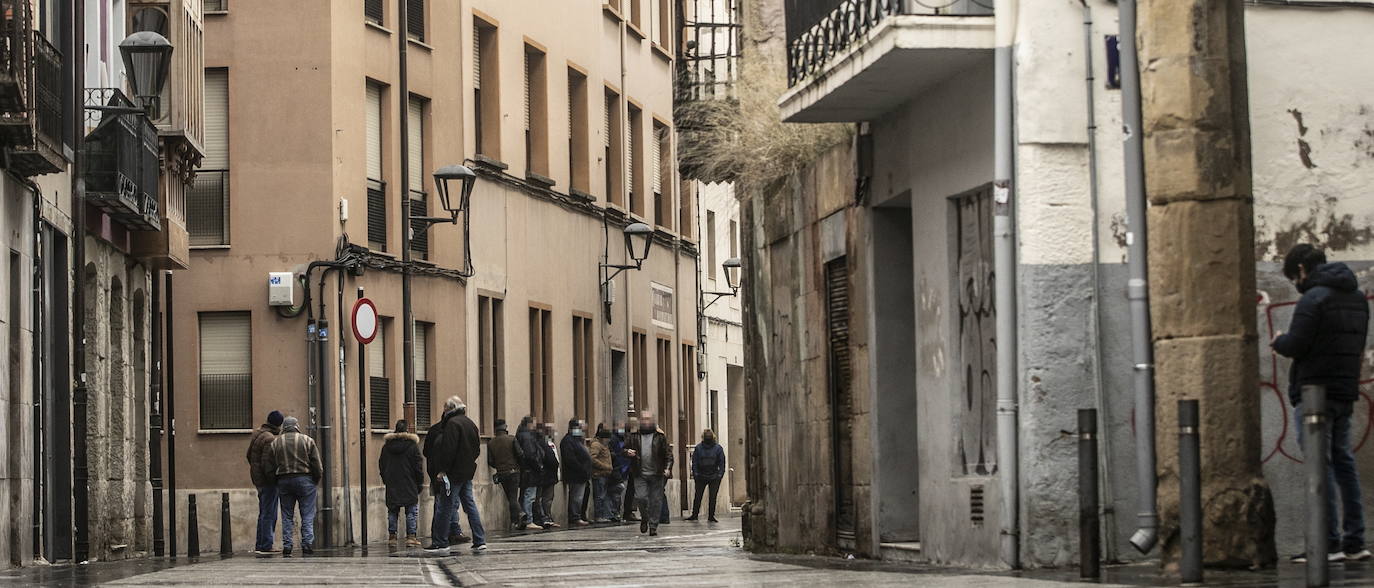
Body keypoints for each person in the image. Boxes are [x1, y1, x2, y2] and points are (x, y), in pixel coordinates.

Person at [1273, 244, 1371, 563]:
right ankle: (1355, 542)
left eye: (1294, 277)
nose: (1295, 284)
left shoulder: (1313, 299)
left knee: (1320, 464)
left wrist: (1279, 342)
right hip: (1345, 390)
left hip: (1315, 394)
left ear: (1302, 270)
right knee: (1344, 462)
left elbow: (1298, 344)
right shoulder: (1357, 298)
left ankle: (1328, 543)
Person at [423, 396, 487, 552]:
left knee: (445, 506)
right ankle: (479, 539)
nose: (443, 412)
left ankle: (440, 541)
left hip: (452, 474)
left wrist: (443, 469)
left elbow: (448, 450)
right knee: (470, 505)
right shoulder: (470, 423)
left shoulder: (452, 425)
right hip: (466, 472)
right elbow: (476, 449)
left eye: (445, 409)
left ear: (449, 409)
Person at [264, 416, 322, 557]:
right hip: (305, 480)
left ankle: (287, 545)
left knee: (287, 515)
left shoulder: (276, 442)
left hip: (284, 480)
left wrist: (275, 481)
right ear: (296, 426)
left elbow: (269, 467)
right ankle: (307, 544)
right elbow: (317, 465)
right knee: (307, 514)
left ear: (284, 427)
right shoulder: (308, 440)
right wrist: (315, 479)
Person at [625, 410, 673, 536]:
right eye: (643, 419)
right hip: (639, 473)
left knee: (656, 501)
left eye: (648, 419)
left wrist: (667, 468)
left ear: (652, 421)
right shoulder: (634, 436)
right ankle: (645, 518)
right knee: (641, 498)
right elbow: (624, 449)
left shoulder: (660, 437)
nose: (646, 421)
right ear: (640, 421)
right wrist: (627, 452)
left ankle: (653, 526)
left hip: (657, 473)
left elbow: (668, 454)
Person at [379, 419, 424, 547]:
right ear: (407, 430)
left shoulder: (387, 447)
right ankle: (411, 537)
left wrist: (385, 478)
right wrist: (419, 483)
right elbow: (418, 466)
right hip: (409, 482)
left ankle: (392, 537)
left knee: (393, 510)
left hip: (392, 482)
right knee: (411, 510)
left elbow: (381, 464)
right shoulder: (412, 446)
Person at [247, 410, 283, 555]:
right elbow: (268, 464)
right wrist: (273, 480)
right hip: (267, 482)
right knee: (269, 512)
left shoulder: (257, 434)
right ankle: (267, 544)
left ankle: (260, 543)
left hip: (258, 479)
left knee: (263, 511)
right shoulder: (269, 439)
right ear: (278, 425)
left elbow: (249, 455)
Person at [487, 419, 527, 530]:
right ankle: (520, 513)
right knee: (513, 497)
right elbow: (520, 454)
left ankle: (514, 522)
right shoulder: (512, 439)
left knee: (510, 498)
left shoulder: (491, 443)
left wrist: (499, 466)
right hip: (514, 472)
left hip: (502, 473)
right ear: (505, 428)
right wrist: (519, 466)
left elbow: (490, 461)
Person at [687, 429, 727, 522]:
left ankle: (701, 515)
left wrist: (720, 474)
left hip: (711, 476)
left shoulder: (713, 448)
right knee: (702, 496)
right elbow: (695, 462)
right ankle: (702, 515)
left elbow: (721, 463)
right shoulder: (716, 448)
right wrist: (696, 473)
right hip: (704, 475)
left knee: (704, 496)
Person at [561, 419, 594, 527]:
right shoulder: (568, 441)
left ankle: (580, 515)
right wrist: (581, 468)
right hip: (575, 475)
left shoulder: (577, 440)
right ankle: (574, 517)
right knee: (576, 497)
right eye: (578, 428)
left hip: (582, 475)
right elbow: (570, 459)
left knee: (580, 497)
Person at [515, 416, 546, 530]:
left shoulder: (522, 434)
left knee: (525, 495)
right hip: (530, 471)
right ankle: (528, 520)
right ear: (528, 424)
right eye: (533, 424)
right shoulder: (527, 437)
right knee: (529, 496)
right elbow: (530, 454)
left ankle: (523, 519)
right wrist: (539, 466)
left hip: (526, 470)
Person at [536, 422, 562, 529]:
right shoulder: (543, 443)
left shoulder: (548, 443)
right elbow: (552, 460)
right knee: (545, 498)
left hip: (549, 475)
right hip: (546, 475)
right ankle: (545, 518)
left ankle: (546, 517)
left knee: (545, 498)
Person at [589, 425, 615, 523]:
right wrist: (605, 466)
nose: (608, 441)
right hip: (599, 474)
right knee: (599, 496)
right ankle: (598, 516)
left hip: (604, 474)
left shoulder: (604, 445)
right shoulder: (596, 445)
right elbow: (593, 458)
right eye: (607, 438)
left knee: (602, 496)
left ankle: (603, 515)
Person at [617, 420, 638, 522]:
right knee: (623, 491)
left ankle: (628, 511)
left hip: (631, 468)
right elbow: (620, 451)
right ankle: (622, 512)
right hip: (623, 468)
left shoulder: (632, 437)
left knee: (631, 492)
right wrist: (626, 452)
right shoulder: (620, 439)